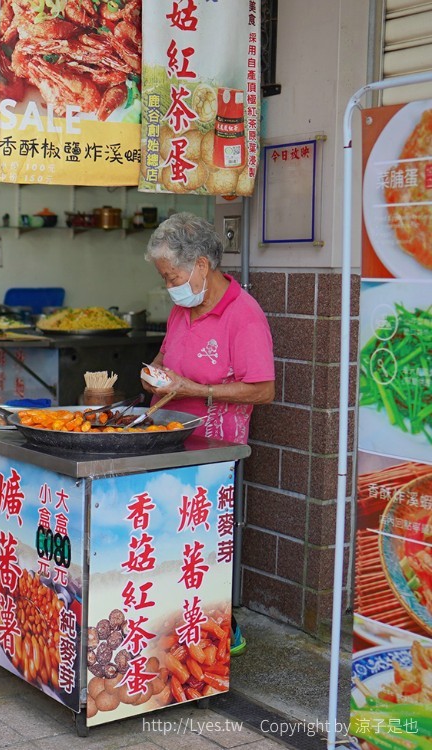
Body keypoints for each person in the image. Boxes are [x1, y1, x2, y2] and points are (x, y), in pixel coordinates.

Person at [143, 212, 276, 656]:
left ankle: (222, 630)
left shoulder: (244, 315)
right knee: (169, 539)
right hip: (169, 443)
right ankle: (173, 626)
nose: (170, 286)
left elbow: (263, 388)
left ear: (201, 265)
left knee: (201, 544)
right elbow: (165, 358)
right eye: (164, 278)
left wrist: (198, 389)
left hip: (213, 451)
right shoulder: (181, 309)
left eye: (173, 275)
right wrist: (155, 374)